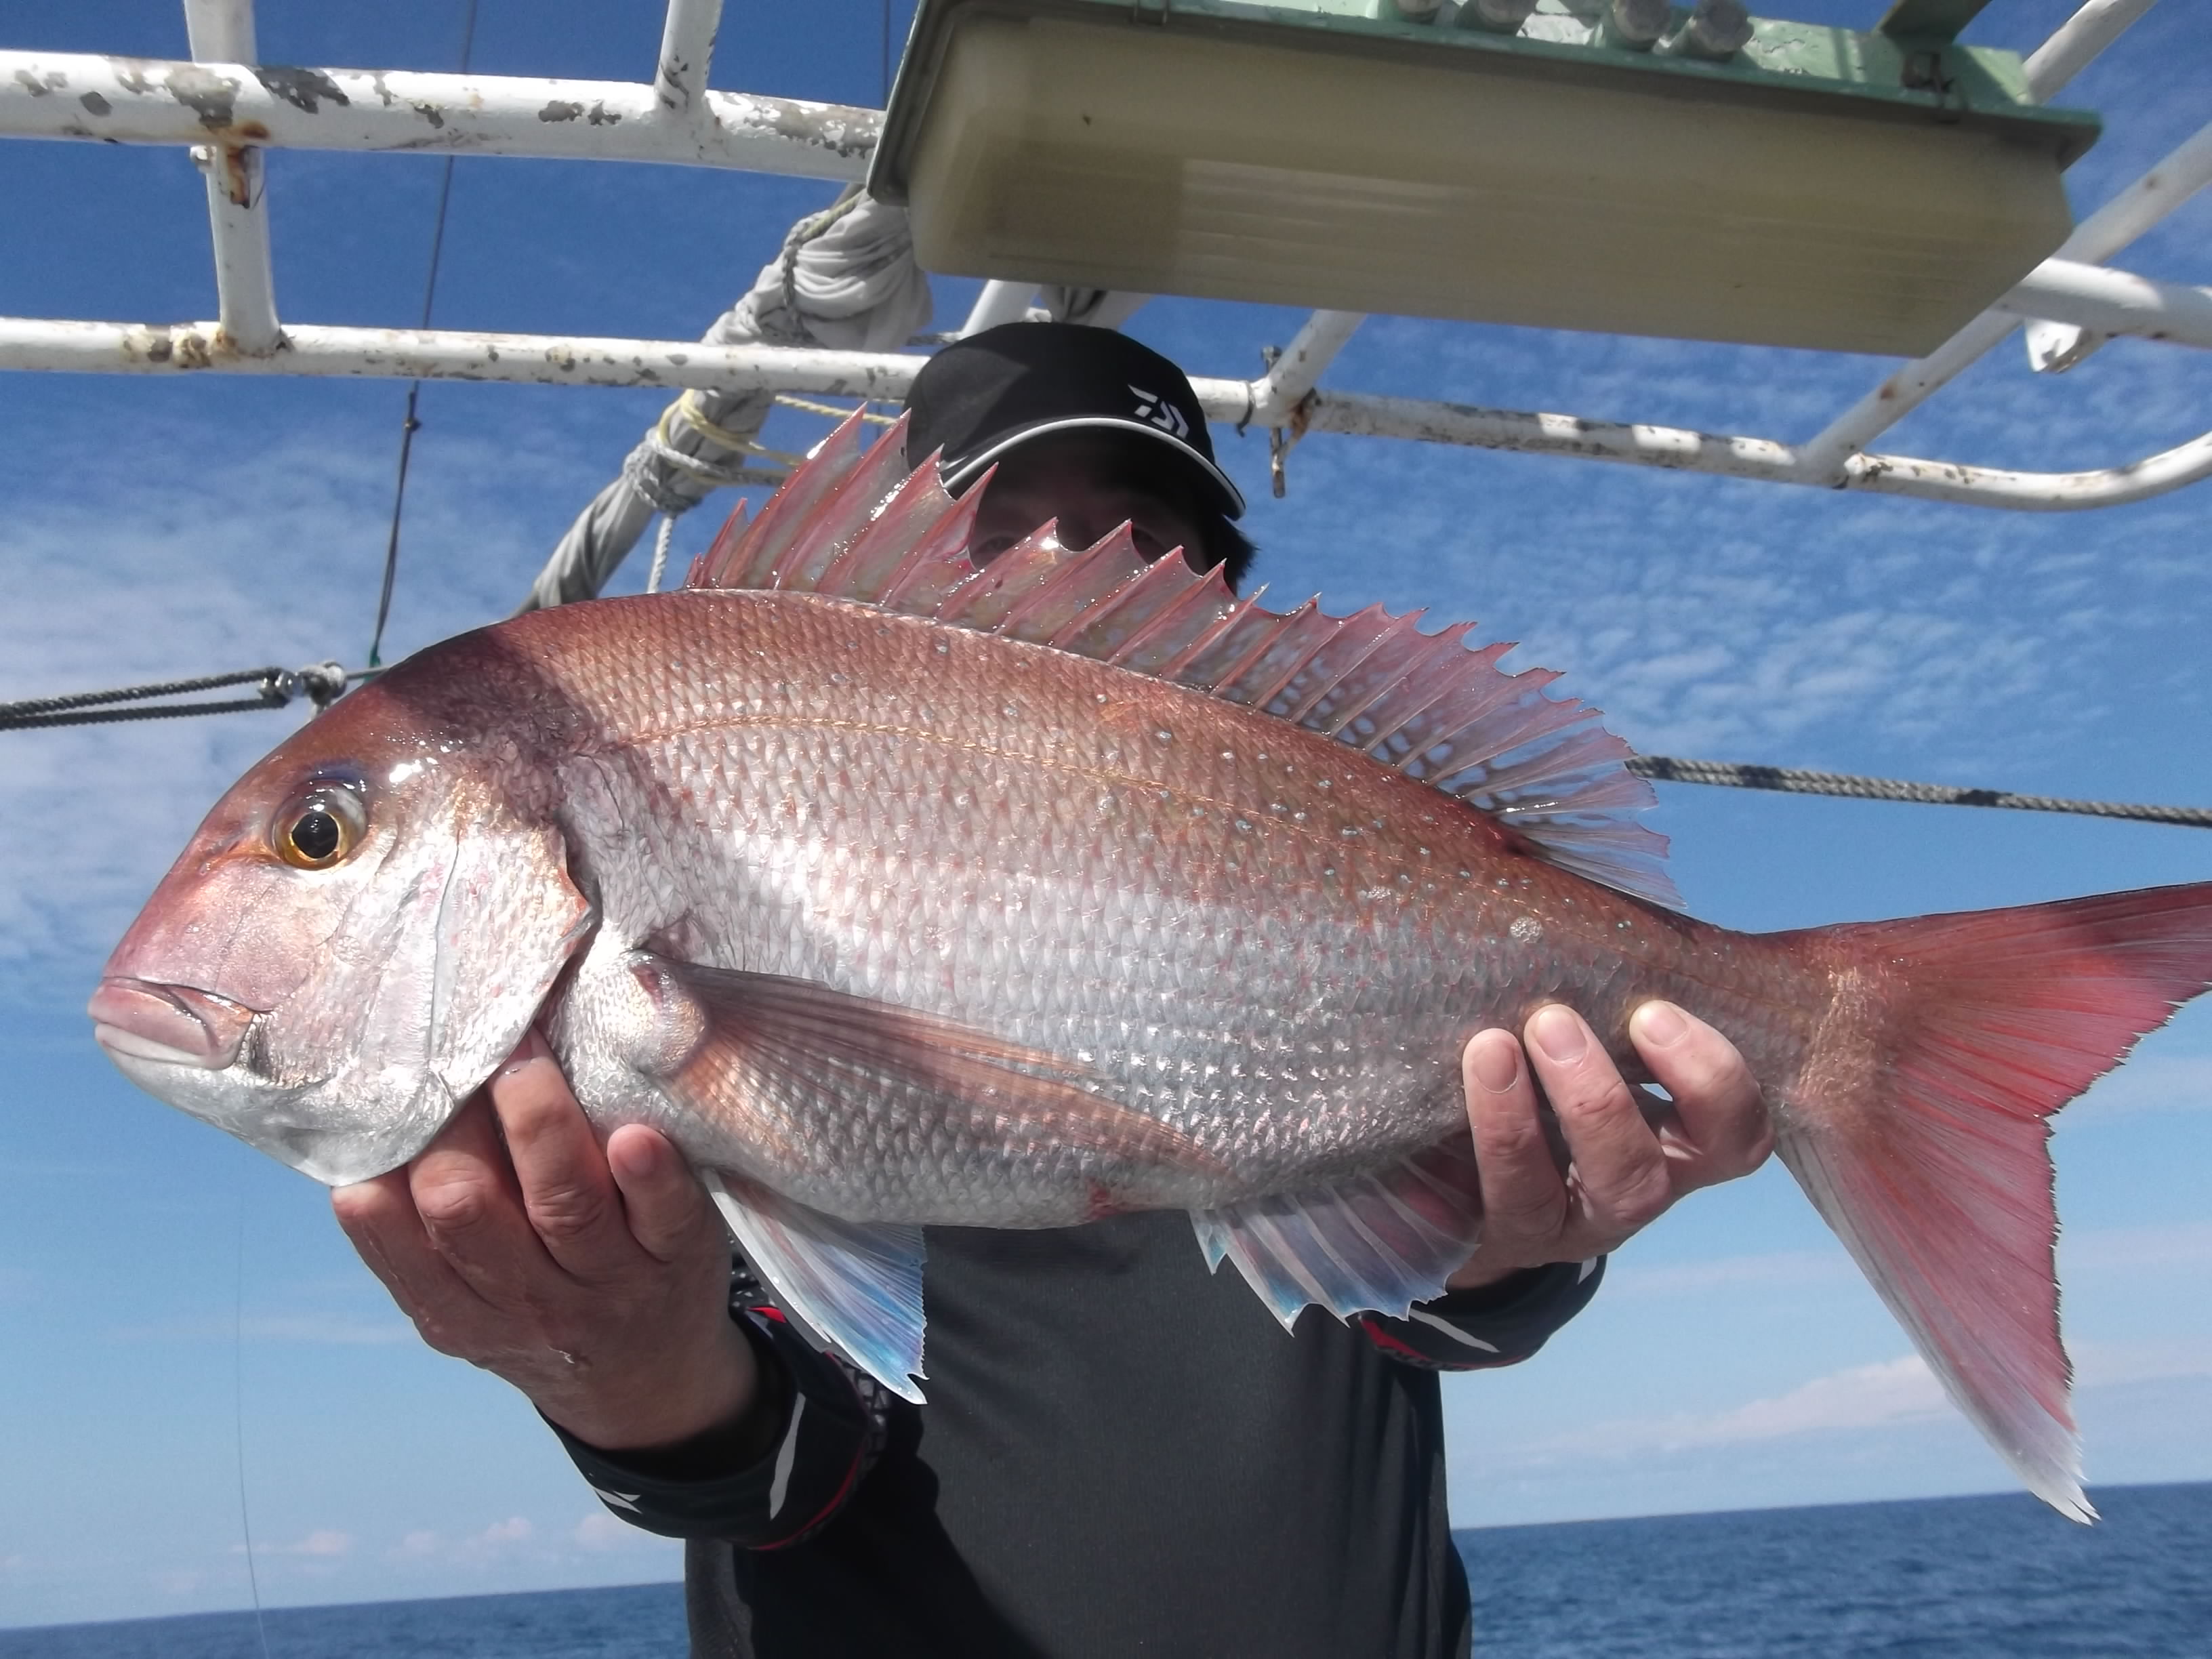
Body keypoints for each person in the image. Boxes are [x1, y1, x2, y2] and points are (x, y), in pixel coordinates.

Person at [333, 324, 1771, 1658]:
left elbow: (1433, 1309)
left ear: (1219, 618)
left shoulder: (1328, 904)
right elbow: (781, 1468)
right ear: (884, 590)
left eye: (1149, 546)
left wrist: (1515, 1238)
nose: (1080, 575)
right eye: (1006, 535)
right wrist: (626, 1379)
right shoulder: (683, 936)